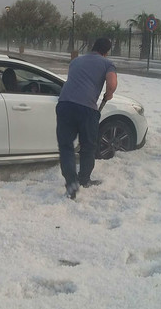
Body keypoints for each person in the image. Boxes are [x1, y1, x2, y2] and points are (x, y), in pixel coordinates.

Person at [56, 37, 117, 199]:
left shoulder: (76, 61)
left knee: (66, 146)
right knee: (88, 146)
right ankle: (84, 179)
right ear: (106, 52)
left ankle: (71, 183)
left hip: (64, 105)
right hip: (87, 109)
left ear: (93, 47)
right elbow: (111, 84)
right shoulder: (107, 64)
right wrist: (108, 94)